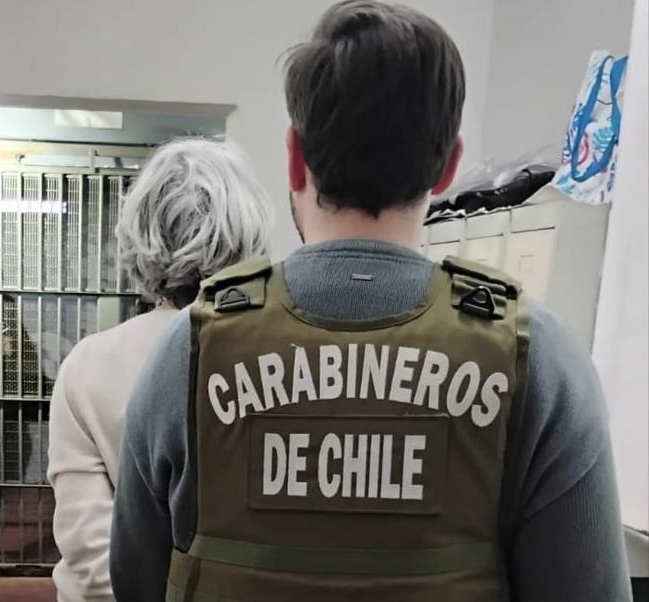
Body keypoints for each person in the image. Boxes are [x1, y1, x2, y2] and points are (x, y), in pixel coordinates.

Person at [110, 2, 632, 601]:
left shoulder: (189, 353)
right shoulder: (538, 363)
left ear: (295, 156)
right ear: (448, 166)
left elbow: (134, 583)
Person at [47, 138, 273, 602]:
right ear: (248, 233)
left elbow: (92, 563)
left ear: (138, 234)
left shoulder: (87, 366)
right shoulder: (282, 355)